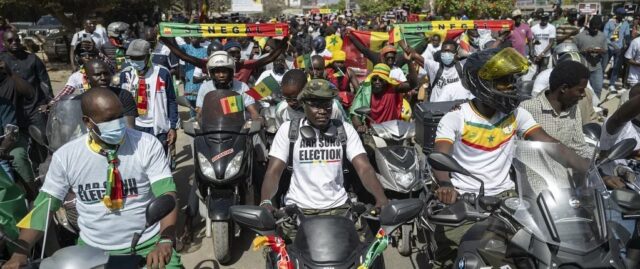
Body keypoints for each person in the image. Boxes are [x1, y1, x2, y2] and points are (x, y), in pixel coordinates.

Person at [431, 48, 589, 267]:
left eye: (512, 80)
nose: (512, 86)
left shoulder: (516, 115)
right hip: (467, 201)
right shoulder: (456, 117)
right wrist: (446, 185)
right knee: (463, 258)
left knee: (543, 252)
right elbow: (440, 155)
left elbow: (552, 145)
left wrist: (589, 169)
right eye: (504, 81)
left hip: (509, 199)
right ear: (481, 82)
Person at [1, 88, 182, 269]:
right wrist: (20, 253)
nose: (118, 124)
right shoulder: (66, 156)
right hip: (92, 251)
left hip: (149, 245)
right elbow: (44, 207)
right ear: (88, 122)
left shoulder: (146, 145)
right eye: (109, 119)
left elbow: (166, 194)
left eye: (120, 116)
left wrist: (165, 240)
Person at [260, 79, 389, 241]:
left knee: (367, 253)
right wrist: (265, 201)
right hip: (297, 212)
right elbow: (273, 171)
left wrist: (381, 198)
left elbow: (364, 168)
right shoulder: (288, 131)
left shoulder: (345, 130)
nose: (322, 111)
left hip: (341, 211)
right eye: (315, 105)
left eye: (327, 105)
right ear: (304, 104)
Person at [1, 30, 52, 173]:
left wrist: (47, 102)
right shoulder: (2, 60)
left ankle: (49, 170)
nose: (14, 43)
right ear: (4, 43)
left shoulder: (33, 59)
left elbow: (44, 82)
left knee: (43, 141)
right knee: (18, 146)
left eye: (16, 40)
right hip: (13, 110)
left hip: (35, 108)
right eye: (10, 41)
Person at [521, 60, 592, 158]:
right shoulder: (526, 109)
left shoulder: (574, 110)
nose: (584, 94)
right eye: (580, 90)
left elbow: (579, 147)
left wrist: (595, 162)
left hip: (562, 172)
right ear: (564, 88)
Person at [117, 39, 178, 154]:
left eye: (139, 58)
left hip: (158, 128)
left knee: (159, 159)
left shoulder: (162, 73)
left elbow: (171, 100)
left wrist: (173, 126)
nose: (135, 61)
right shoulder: (126, 75)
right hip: (135, 126)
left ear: (148, 56)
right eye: (132, 58)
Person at [161, 37, 288, 84]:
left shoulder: (246, 65)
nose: (237, 56)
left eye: (238, 53)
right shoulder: (213, 63)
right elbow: (185, 57)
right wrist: (167, 41)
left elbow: (271, 57)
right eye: (232, 53)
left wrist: (284, 40)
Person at [0, 60, 36, 200]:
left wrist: (2, 151)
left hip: (8, 144)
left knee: (19, 158)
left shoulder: (4, 102)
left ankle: (33, 200)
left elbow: (11, 131)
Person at [195, 51, 260, 120]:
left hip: (237, 127)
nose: (221, 75)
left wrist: (257, 121)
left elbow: (252, 111)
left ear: (231, 72)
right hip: (211, 127)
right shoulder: (205, 87)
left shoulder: (242, 86)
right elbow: (200, 111)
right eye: (217, 72)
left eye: (224, 71)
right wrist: (196, 122)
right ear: (211, 73)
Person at [350, 63, 412, 131]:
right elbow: (355, 113)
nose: (377, 82)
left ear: (386, 81)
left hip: (392, 131)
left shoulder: (393, 89)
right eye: (374, 79)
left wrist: (410, 62)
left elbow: (413, 84)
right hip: (373, 132)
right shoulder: (365, 91)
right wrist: (359, 126)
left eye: (381, 80)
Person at [275, 70, 348, 127]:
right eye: (287, 98)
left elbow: (344, 129)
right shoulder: (281, 110)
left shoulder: (333, 107)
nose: (290, 103)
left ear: (305, 89)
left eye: (294, 98)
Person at [575, 16, 607, 98]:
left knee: (598, 89)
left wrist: (600, 51)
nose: (596, 30)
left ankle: (596, 108)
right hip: (582, 67)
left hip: (596, 67)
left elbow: (605, 50)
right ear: (590, 25)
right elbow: (574, 52)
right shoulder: (579, 37)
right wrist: (585, 51)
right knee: (582, 90)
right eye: (594, 27)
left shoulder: (602, 36)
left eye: (598, 28)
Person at [604, 7, 631, 93]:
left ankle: (612, 84)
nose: (622, 17)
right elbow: (605, 36)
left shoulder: (625, 24)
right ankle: (599, 81)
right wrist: (613, 45)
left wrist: (626, 45)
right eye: (620, 15)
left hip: (619, 49)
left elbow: (627, 36)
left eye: (623, 15)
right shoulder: (609, 23)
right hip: (609, 47)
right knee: (603, 65)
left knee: (616, 67)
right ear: (617, 14)